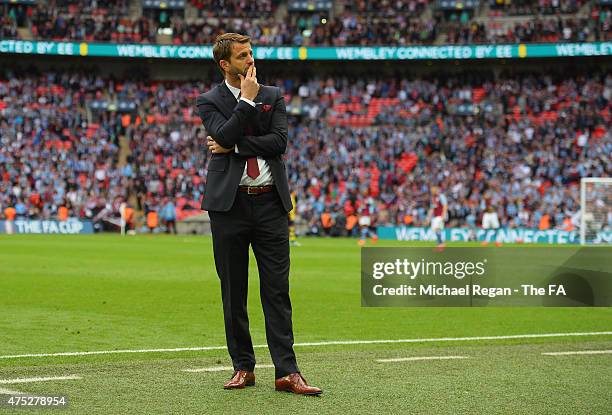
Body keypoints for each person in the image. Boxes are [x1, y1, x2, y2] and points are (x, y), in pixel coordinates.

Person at [195, 33, 321, 396]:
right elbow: (221, 130)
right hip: (228, 206)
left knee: (277, 291)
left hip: (270, 204)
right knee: (233, 291)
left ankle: (287, 372)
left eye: (251, 53)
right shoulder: (209, 100)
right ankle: (243, 367)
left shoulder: (274, 95)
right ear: (225, 64)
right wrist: (246, 103)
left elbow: (278, 142)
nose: (251, 60)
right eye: (242, 56)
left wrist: (233, 144)